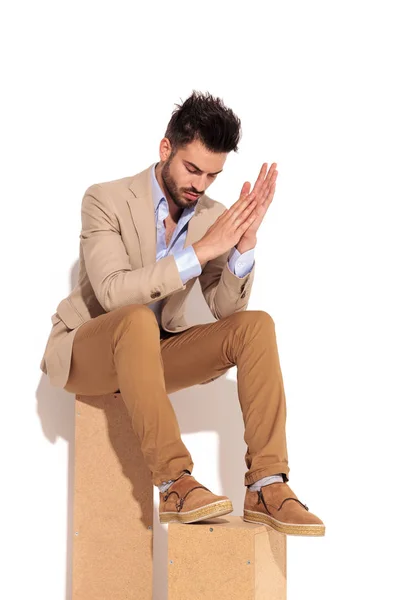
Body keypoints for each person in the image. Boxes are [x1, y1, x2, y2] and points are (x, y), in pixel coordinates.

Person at [40, 90, 325, 536]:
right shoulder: (105, 199)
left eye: (213, 175)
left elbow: (225, 309)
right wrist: (199, 252)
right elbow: (114, 292)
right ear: (165, 148)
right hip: (88, 351)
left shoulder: (212, 215)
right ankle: (175, 481)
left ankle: (267, 485)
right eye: (193, 169)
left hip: (152, 351)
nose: (201, 185)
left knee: (255, 326)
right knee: (134, 317)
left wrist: (243, 246)